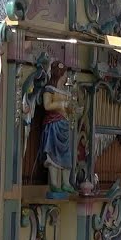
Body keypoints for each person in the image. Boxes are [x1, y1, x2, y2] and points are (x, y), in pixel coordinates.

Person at [40, 61, 75, 199]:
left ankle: (65, 183)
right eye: (65, 74)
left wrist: (72, 107)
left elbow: (70, 109)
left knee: (65, 155)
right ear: (60, 74)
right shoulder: (49, 89)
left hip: (64, 125)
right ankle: (55, 183)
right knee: (53, 155)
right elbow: (47, 106)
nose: (66, 77)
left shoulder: (66, 91)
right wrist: (61, 103)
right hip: (53, 125)